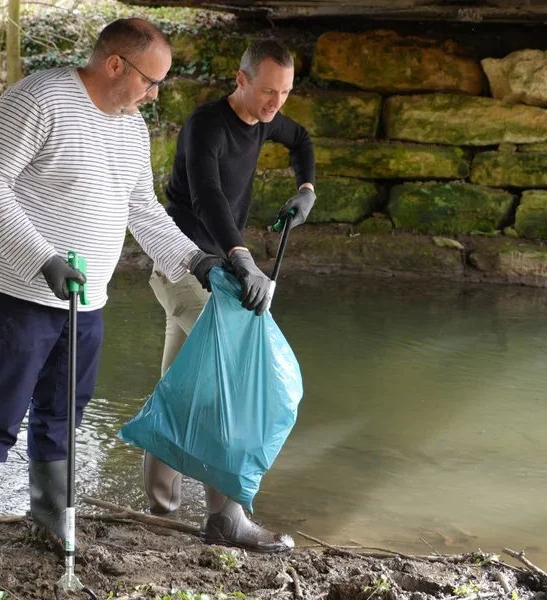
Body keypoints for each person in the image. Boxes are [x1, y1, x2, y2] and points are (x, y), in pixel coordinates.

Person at [0, 18, 269, 584]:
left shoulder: (130, 126)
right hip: (15, 285)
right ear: (115, 63)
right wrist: (40, 258)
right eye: (151, 81)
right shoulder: (39, 99)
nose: (154, 94)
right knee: (1, 408)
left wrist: (197, 261)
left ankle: (49, 518)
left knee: (66, 410)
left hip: (84, 295)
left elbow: (142, 209)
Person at [144, 38, 317, 553]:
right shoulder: (206, 126)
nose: (275, 105)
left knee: (180, 383)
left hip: (220, 269)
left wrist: (305, 190)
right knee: (232, 379)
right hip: (182, 263)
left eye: (284, 93)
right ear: (241, 80)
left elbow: (302, 139)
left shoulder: (267, 118)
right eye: (267, 91)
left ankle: (159, 509)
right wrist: (244, 260)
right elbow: (208, 197)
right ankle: (227, 517)